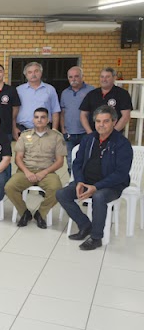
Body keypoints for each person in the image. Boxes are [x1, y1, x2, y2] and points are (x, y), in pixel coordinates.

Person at [56, 105, 133, 250]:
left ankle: (97, 237)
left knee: (98, 197)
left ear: (114, 122)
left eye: (105, 121)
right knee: (62, 193)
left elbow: (121, 173)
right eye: (98, 121)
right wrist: (79, 181)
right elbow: (77, 163)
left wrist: (96, 187)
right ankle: (85, 226)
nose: (101, 125)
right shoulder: (88, 139)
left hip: (111, 185)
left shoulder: (122, 144)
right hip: (86, 181)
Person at [5, 108, 66, 229]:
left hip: (47, 172)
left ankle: (41, 213)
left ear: (48, 120)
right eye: (36, 117)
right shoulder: (24, 135)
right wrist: (27, 172)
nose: (39, 120)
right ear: (33, 119)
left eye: (43, 117)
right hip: (26, 170)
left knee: (58, 190)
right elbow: (18, 158)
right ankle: (24, 213)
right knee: (9, 187)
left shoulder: (56, 137)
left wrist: (44, 172)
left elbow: (60, 161)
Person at [60, 66, 94, 175]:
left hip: (86, 133)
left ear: (82, 77)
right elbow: (63, 112)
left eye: (76, 76)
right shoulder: (65, 93)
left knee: (87, 160)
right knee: (70, 161)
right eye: (70, 77)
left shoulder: (91, 90)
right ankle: (72, 182)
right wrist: (63, 130)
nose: (73, 79)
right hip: (69, 134)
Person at [80, 67, 132, 134]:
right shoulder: (91, 94)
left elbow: (126, 116)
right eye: (102, 77)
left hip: (114, 136)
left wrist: (113, 133)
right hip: (94, 134)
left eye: (107, 77)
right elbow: (83, 115)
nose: (104, 79)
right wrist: (89, 132)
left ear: (114, 78)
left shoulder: (122, 94)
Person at [16, 62, 61, 133]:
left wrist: (54, 130)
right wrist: (14, 128)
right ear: (26, 75)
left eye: (36, 71)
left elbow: (55, 111)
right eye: (30, 72)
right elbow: (13, 111)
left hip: (45, 129)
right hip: (22, 129)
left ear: (41, 73)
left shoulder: (50, 89)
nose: (33, 74)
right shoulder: (18, 90)